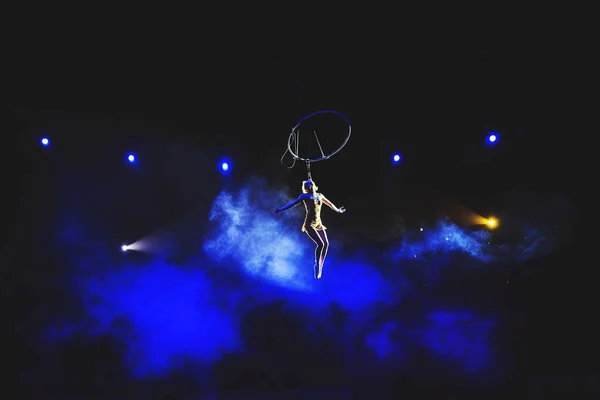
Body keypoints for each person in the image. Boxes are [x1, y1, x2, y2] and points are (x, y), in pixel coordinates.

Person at [272, 180, 346, 279]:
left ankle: (320, 267)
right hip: (309, 224)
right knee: (320, 244)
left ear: (313, 186)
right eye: (306, 185)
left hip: (318, 223)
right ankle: (317, 265)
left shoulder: (320, 195)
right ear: (306, 188)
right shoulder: (304, 196)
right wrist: (280, 210)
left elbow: (330, 204)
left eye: (309, 184)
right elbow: (293, 204)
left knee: (326, 244)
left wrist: (338, 210)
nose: (308, 185)